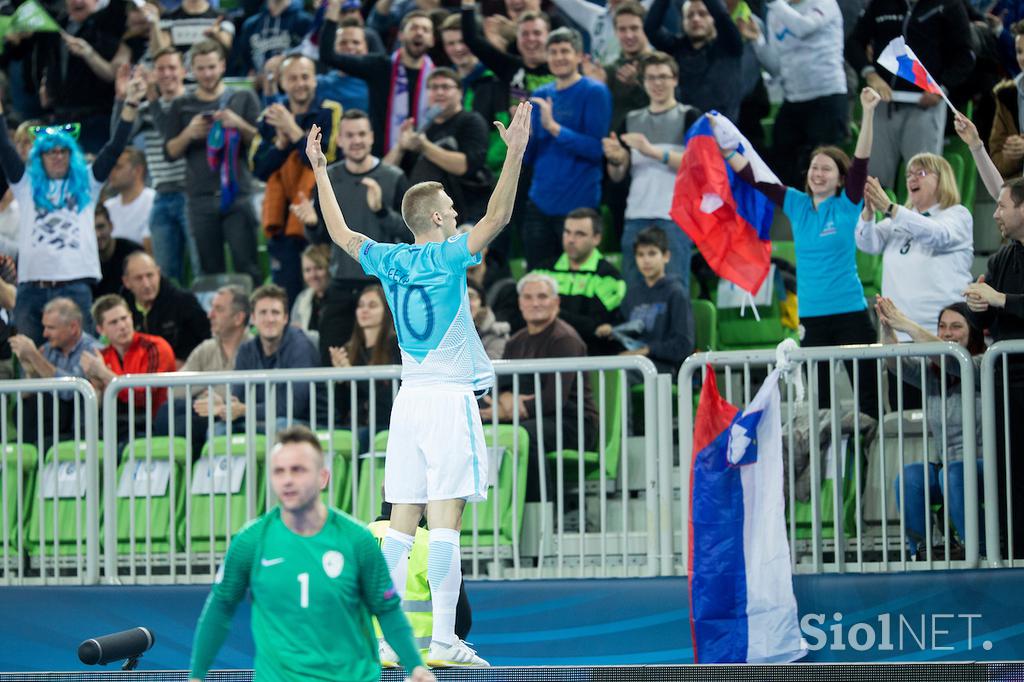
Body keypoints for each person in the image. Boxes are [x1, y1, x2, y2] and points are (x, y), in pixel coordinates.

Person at [305, 97, 532, 665]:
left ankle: (385, 641)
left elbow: (338, 232)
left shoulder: (389, 260)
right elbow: (499, 216)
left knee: (401, 522)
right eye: (452, 208)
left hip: (406, 402)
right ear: (436, 218)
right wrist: (516, 152)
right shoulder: (451, 256)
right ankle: (444, 642)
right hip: (449, 398)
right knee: (447, 519)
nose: (457, 213)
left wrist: (317, 170)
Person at [187, 425, 435, 682]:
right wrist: (196, 676)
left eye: (298, 470)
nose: (288, 480)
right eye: (279, 471)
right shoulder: (250, 541)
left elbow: (387, 609)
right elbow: (220, 608)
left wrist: (416, 667)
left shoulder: (357, 540)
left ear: (323, 477)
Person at [722, 87, 882, 418]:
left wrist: (867, 112)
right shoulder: (796, 203)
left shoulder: (847, 203)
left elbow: (861, 161)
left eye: (826, 169)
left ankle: (872, 464)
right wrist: (724, 148)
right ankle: (827, 469)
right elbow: (755, 177)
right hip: (812, 317)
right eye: (814, 167)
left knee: (870, 403)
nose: (818, 173)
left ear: (840, 180)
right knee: (820, 407)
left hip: (852, 313)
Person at [0, 70, 144, 346]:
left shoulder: (88, 183)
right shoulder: (25, 184)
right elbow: (4, 147)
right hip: (32, 287)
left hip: (75, 284)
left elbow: (115, 148)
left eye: (62, 151)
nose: (56, 157)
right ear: (38, 157)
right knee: (32, 363)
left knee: (84, 360)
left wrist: (131, 104)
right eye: (49, 152)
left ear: (71, 154)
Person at [877, 297, 986, 560]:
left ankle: (979, 550)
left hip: (990, 467)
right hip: (947, 470)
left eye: (956, 326)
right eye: (942, 326)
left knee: (955, 474)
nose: (948, 333)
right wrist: (887, 324)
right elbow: (894, 363)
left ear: (973, 331)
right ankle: (926, 551)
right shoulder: (932, 370)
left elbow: (954, 360)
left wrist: (907, 325)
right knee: (910, 478)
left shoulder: (985, 363)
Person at [300, 109, 410, 366]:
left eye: (362, 134)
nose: (356, 140)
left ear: (372, 137)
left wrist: (382, 212)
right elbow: (320, 240)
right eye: (349, 135)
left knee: (385, 362)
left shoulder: (394, 177)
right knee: (331, 359)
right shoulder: (329, 177)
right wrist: (312, 225)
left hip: (383, 286)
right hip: (340, 285)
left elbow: (410, 234)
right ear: (339, 140)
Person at [481, 273, 599, 503]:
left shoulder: (565, 339)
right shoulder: (516, 341)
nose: (535, 303)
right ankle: (491, 510)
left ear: (556, 302)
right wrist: (505, 402)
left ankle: (539, 511)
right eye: (529, 297)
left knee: (525, 435)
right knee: (478, 430)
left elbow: (553, 399)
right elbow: (502, 386)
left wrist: (510, 409)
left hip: (572, 422)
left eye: (542, 297)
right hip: (530, 416)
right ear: (520, 303)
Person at [164, 39, 263, 285]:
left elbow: (262, 142)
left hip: (237, 194)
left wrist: (238, 124)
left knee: (247, 264)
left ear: (222, 65)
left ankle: (256, 319)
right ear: (190, 71)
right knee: (209, 272)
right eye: (201, 68)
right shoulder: (181, 104)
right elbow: (170, 152)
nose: (207, 74)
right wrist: (189, 134)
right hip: (200, 199)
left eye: (211, 67)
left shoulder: (243, 97)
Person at [845, 0, 973, 188]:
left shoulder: (948, 4)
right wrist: (870, 74)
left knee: (923, 179)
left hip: (926, 106)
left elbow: (965, 56)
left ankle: (921, 217)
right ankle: (876, 218)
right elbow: (853, 42)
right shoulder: (881, 4)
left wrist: (941, 88)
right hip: (883, 104)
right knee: (872, 181)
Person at [603, 50, 700, 290]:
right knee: (633, 291)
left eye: (663, 77)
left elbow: (698, 165)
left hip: (673, 217)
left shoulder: (689, 116)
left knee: (674, 289)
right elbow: (617, 175)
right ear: (643, 82)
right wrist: (616, 159)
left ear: (675, 80)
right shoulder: (630, 119)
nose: (657, 83)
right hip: (636, 215)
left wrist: (651, 151)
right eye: (651, 78)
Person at [964, 177, 1024, 556]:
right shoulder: (1000, 258)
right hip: (1006, 386)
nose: (996, 214)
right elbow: (988, 321)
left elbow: (1003, 301)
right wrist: (977, 307)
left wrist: (999, 298)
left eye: (1002, 206)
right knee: (1010, 478)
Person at [254, 54, 343, 303]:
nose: (300, 83)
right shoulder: (269, 116)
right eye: (292, 78)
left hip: (321, 221)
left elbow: (329, 161)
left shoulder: (329, 111)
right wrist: (281, 147)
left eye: (305, 76)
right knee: (287, 298)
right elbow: (258, 169)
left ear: (315, 80)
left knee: (326, 295)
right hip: (282, 223)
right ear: (282, 82)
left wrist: (292, 131)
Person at [856, 154, 975, 341]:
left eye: (921, 172)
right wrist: (868, 212)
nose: (912, 178)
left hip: (941, 331)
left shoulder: (957, 215)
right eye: (909, 174)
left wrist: (891, 208)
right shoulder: (897, 220)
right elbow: (867, 244)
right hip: (899, 333)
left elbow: (937, 235)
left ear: (942, 180)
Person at [521, 28, 612, 268]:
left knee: (576, 282)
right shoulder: (540, 94)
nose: (559, 57)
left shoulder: (595, 92)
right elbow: (529, 158)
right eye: (553, 52)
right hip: (539, 203)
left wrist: (554, 128)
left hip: (579, 206)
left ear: (580, 56)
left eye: (565, 51)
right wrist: (524, 136)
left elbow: (595, 149)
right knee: (537, 279)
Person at [743, 0, 848, 187]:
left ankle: (828, 215)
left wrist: (774, 4)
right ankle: (791, 215)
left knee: (824, 171)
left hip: (827, 98)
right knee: (782, 168)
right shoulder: (776, 12)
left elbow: (803, 27)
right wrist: (757, 40)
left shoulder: (824, 3)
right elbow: (775, 66)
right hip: (793, 100)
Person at [110, 49, 193, 285]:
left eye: (172, 67)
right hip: (161, 196)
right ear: (153, 74)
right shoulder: (146, 110)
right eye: (161, 69)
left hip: (191, 193)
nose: (167, 74)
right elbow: (118, 139)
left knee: (199, 267)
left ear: (183, 71)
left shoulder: (194, 103)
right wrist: (121, 98)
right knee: (165, 275)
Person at [202, 284, 321, 434]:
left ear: (285, 318)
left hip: (306, 422)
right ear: (253, 318)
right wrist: (224, 406)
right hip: (261, 420)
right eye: (263, 313)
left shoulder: (300, 347)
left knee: (280, 425)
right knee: (218, 430)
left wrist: (245, 410)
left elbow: (294, 406)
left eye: (275, 313)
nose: (269, 319)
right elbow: (238, 398)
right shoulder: (246, 350)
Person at [319, 9, 437, 156]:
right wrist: (334, 8)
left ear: (432, 39)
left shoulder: (437, 78)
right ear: (400, 35)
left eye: (425, 29)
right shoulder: (379, 66)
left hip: (422, 157)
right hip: (382, 158)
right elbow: (328, 56)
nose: (419, 33)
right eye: (413, 28)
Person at [384, 68, 493, 221]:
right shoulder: (422, 129)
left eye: (446, 87)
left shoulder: (472, 121)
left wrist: (424, 146)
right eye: (434, 87)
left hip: (466, 214)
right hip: (426, 219)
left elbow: (464, 166)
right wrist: (400, 147)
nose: (439, 92)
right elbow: (384, 175)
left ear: (460, 92)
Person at [155, 285, 253, 454]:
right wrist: (208, 391)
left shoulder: (254, 349)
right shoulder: (206, 348)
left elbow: (252, 394)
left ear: (238, 318)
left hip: (237, 415)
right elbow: (174, 388)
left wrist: (217, 399)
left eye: (218, 310)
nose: (210, 315)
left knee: (184, 426)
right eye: (211, 308)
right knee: (168, 409)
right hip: (205, 410)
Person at [80, 294, 177, 447]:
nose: (122, 326)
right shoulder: (102, 357)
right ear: (101, 329)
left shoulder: (155, 347)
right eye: (113, 322)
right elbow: (94, 409)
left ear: (132, 317)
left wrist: (104, 374)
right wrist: (97, 388)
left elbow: (143, 397)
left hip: (153, 425)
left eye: (124, 318)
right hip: (115, 426)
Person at [530, 207, 626, 356]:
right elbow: (522, 312)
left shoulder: (610, 277)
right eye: (567, 232)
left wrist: (549, 312)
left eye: (579, 234)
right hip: (540, 352)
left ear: (597, 238)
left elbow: (595, 327)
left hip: (588, 356)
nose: (571, 240)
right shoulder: (543, 270)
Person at [8, 297, 100, 448]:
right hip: (45, 427)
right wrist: (31, 373)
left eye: (51, 328)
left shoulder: (93, 350)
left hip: (76, 428)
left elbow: (70, 392)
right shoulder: (48, 350)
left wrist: (35, 357)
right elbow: (24, 396)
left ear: (73, 327)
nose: (44, 334)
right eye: (44, 327)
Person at [644, 0, 744, 120]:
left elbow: (722, 16)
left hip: (721, 131)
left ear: (713, 18)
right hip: (685, 131)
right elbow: (651, 28)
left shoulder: (729, 46)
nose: (696, 19)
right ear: (682, 22)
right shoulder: (676, 48)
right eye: (690, 15)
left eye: (702, 14)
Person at [329, 284, 401, 450]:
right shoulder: (349, 350)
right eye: (361, 305)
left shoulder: (395, 347)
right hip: (354, 424)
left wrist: (352, 375)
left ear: (386, 310)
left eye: (372, 305)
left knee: (359, 437)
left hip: (384, 424)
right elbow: (340, 409)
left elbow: (387, 402)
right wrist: (340, 381)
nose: (364, 310)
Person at [618, 226, 692, 374]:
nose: (646, 260)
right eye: (640, 255)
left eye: (652, 254)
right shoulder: (632, 293)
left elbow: (683, 344)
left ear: (666, 256)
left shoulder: (676, 293)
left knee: (620, 374)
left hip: (665, 368)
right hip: (636, 363)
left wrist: (647, 350)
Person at [120, 252, 211, 368]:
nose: (146, 284)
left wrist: (189, 363)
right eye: (139, 278)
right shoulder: (120, 308)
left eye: (150, 275)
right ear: (126, 282)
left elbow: (208, 341)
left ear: (158, 273)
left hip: (183, 377)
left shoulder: (184, 302)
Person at [231, 0, 313, 79]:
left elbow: (312, 57)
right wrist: (251, 77)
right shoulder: (250, 26)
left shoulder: (306, 22)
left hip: (293, 89)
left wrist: (285, 58)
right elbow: (245, 67)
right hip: (260, 90)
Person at [103, 148, 155, 252]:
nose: (111, 172)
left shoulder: (153, 201)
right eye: (111, 167)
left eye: (118, 167)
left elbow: (150, 249)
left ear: (138, 171)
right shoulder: (107, 207)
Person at [990, 22, 1024, 179]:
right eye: (1019, 51)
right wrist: (1011, 156)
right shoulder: (1006, 95)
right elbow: (997, 162)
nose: (1022, 58)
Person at [94, 205, 143, 298]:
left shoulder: (133, 253)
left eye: (100, 227)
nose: (97, 234)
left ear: (111, 226)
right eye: (90, 230)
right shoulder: (85, 261)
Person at [291, 243, 332, 347]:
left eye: (318, 268)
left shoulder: (340, 300)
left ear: (329, 268)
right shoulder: (302, 299)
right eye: (307, 270)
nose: (313, 275)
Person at [468, 280, 510, 359]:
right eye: (458, 298)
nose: (465, 302)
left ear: (481, 304)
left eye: (470, 297)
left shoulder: (496, 333)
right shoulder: (441, 333)